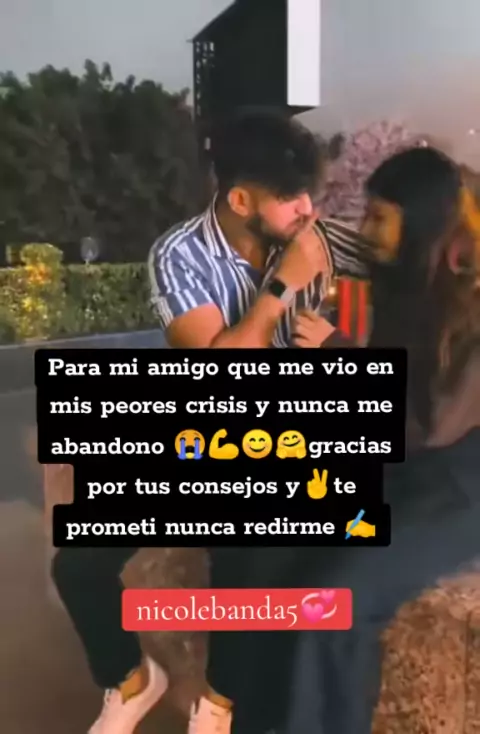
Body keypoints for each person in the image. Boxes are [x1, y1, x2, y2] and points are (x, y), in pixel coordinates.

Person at [50, 109, 366, 734]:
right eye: (290, 198)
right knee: (78, 565)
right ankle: (131, 680)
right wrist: (281, 288)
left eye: (310, 194)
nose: (307, 211)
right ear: (241, 200)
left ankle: (219, 706)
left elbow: (414, 256)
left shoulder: (314, 237)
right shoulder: (179, 255)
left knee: (251, 552)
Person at [226, 147, 480, 734]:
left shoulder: (469, 301)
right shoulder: (402, 284)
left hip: (461, 485)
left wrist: (339, 353)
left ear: (422, 221)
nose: (365, 230)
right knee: (264, 550)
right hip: (402, 471)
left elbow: (430, 427)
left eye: (379, 218)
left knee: (336, 601)